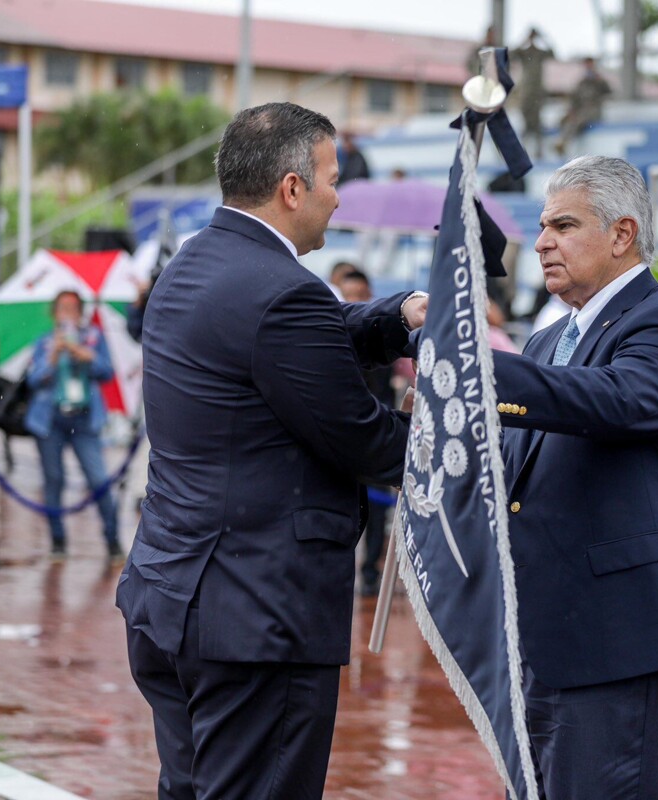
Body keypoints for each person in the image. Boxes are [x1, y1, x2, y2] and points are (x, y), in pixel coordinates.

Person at [115, 102, 427, 800]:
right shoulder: (283, 294)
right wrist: (486, 445)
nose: (337, 196)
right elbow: (368, 442)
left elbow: (288, 334)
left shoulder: (194, 262)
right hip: (255, 617)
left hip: (175, 598)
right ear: (292, 188)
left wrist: (394, 316)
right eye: (331, 178)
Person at [488, 155, 658, 799]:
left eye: (563, 225)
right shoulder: (543, 344)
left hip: (623, 634)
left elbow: (616, 400)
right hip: (545, 631)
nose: (541, 242)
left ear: (622, 234)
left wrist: (480, 365)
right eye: (541, 226)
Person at [25, 290, 121, 562]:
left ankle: (113, 540)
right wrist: (54, 356)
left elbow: (106, 371)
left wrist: (83, 354)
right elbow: (34, 381)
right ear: (54, 313)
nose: (67, 313)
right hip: (50, 420)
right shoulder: (44, 341)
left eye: (73, 308)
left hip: (85, 418)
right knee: (54, 480)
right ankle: (57, 541)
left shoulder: (93, 338)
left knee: (98, 479)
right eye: (62, 308)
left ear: (81, 312)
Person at [336, 267, 397, 598]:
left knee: (376, 513)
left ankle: (370, 570)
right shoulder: (326, 338)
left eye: (360, 295)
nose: (355, 301)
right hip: (343, 437)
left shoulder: (380, 334)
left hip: (377, 432)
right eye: (349, 295)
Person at [513, 28, 555, 158]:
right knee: (526, 119)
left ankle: (538, 151)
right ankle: (523, 149)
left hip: (537, 91)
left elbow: (553, 54)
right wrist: (524, 39)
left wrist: (543, 38)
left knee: (537, 122)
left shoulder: (540, 53)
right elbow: (511, 54)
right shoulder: (524, 52)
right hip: (526, 90)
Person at [555, 58, 611, 155]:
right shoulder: (582, 83)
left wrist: (599, 80)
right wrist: (571, 111)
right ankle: (561, 142)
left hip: (593, 111)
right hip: (581, 111)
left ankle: (564, 142)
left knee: (578, 120)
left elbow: (608, 91)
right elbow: (574, 98)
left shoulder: (598, 81)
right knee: (565, 119)